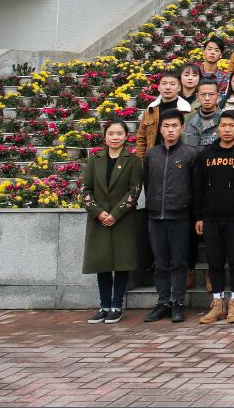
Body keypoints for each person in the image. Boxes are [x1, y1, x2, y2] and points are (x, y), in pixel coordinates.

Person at [193, 111, 234, 325]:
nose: (227, 129)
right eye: (223, 125)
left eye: (231, 125)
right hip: (210, 217)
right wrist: (199, 216)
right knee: (215, 261)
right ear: (218, 128)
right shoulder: (206, 154)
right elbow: (198, 187)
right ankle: (218, 303)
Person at [81, 120, 142, 324]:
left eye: (119, 133)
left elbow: (134, 190)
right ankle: (104, 305)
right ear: (105, 136)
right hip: (99, 220)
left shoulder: (133, 160)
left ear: (126, 136)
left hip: (122, 220)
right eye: (111, 133)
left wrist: (115, 214)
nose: (115, 137)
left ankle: (117, 305)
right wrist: (98, 212)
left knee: (122, 263)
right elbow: (86, 190)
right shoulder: (94, 159)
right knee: (102, 264)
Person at [141, 110, 199, 323]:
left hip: (180, 216)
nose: (170, 130)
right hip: (155, 215)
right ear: (160, 129)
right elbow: (147, 183)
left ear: (182, 127)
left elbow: (195, 187)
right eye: (166, 126)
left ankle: (178, 303)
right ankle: (163, 302)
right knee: (160, 262)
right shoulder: (151, 154)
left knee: (179, 262)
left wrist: (194, 213)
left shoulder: (190, 154)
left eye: (174, 126)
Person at [135, 70, 192, 156]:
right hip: (153, 158)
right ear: (159, 87)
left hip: (180, 158)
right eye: (164, 83)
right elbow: (141, 138)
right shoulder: (150, 110)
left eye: (172, 84)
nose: (168, 87)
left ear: (179, 88)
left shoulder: (187, 111)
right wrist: (142, 159)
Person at [183, 78, 223, 148]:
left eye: (211, 94)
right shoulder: (187, 118)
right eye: (203, 94)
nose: (207, 98)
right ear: (197, 96)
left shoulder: (224, 119)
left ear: (218, 96)